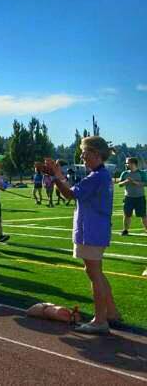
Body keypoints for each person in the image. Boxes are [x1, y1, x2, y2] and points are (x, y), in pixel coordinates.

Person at [48, 136, 119, 334]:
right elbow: (74, 192)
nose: (82, 156)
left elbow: (70, 194)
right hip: (96, 229)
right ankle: (111, 313)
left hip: (91, 230)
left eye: (84, 152)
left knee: (94, 274)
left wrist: (56, 176)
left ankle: (100, 320)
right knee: (97, 272)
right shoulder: (101, 175)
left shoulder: (96, 177)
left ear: (95, 153)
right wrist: (58, 176)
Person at [118, 157, 146, 236]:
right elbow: (120, 184)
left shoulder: (141, 173)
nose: (126, 164)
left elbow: (145, 183)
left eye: (127, 163)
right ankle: (125, 230)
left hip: (140, 197)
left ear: (133, 164)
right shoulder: (124, 173)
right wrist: (125, 181)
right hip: (128, 197)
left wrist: (134, 182)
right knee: (127, 215)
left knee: (143, 215)